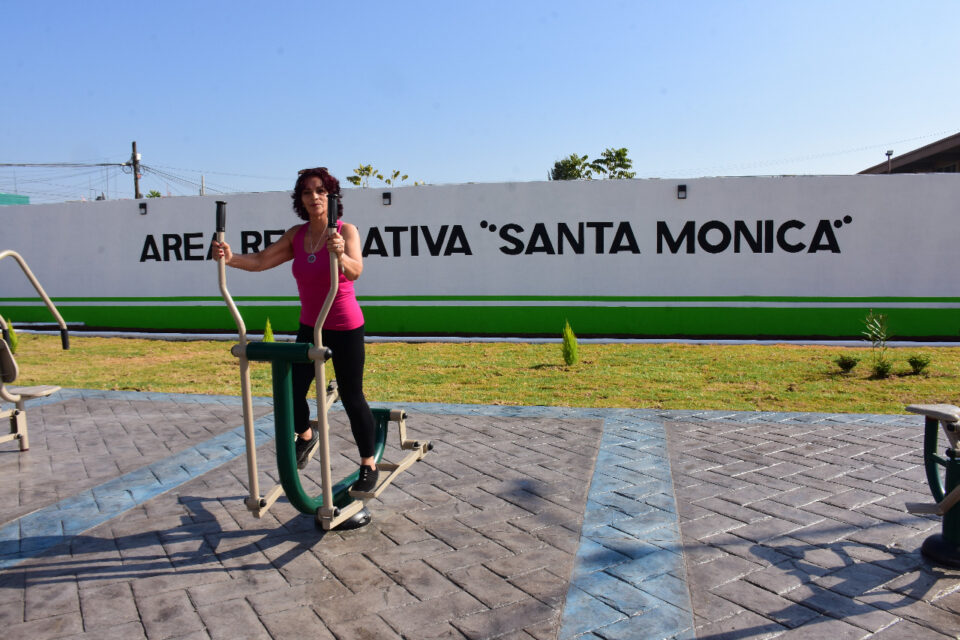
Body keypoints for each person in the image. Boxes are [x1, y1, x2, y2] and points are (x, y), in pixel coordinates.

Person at [212, 167, 379, 493]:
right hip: (311, 326)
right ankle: (306, 435)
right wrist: (230, 258)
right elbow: (261, 261)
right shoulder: (296, 235)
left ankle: (368, 464)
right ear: (300, 199)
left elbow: (356, 271)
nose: (314, 197)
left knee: (351, 396)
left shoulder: (346, 231)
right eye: (307, 192)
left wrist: (340, 255)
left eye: (320, 191)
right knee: (290, 392)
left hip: (344, 325)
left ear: (331, 197)